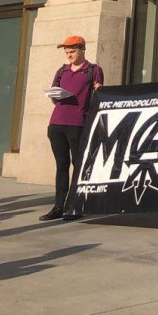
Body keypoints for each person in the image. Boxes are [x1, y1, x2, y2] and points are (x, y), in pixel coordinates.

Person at [41, 36, 104, 222]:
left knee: (78, 165)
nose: (69, 55)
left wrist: (99, 89)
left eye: (72, 52)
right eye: (67, 52)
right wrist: (54, 95)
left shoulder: (93, 70)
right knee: (61, 166)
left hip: (78, 123)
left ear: (82, 50)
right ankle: (58, 207)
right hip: (57, 123)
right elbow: (54, 96)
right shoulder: (62, 71)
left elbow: (98, 93)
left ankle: (77, 205)